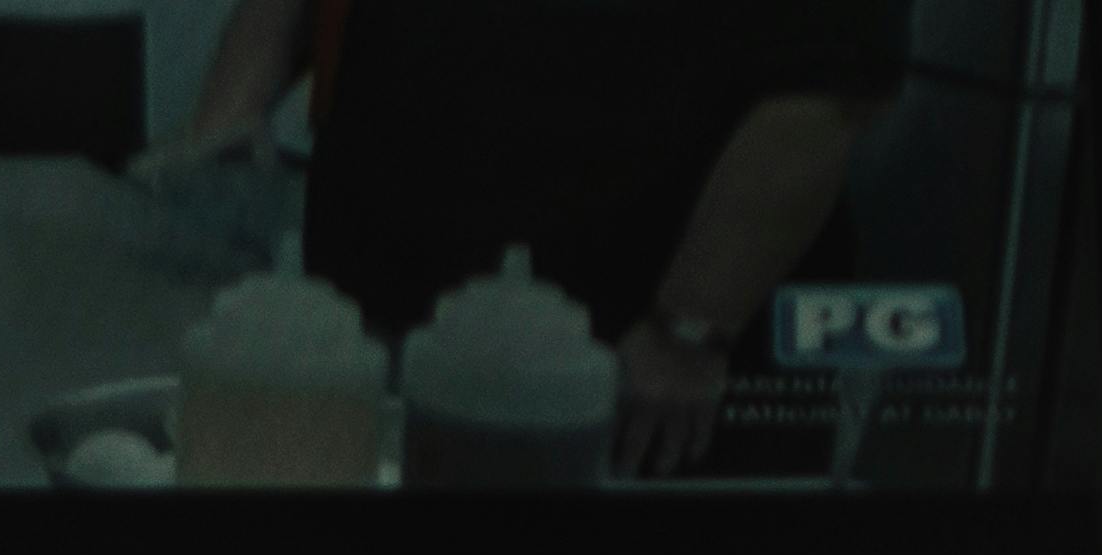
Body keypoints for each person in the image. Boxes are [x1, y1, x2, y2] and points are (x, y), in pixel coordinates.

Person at [153, 0, 904, 471]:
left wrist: (688, 329)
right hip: (386, 336)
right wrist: (227, 116)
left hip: (632, 377)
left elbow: (825, 92)